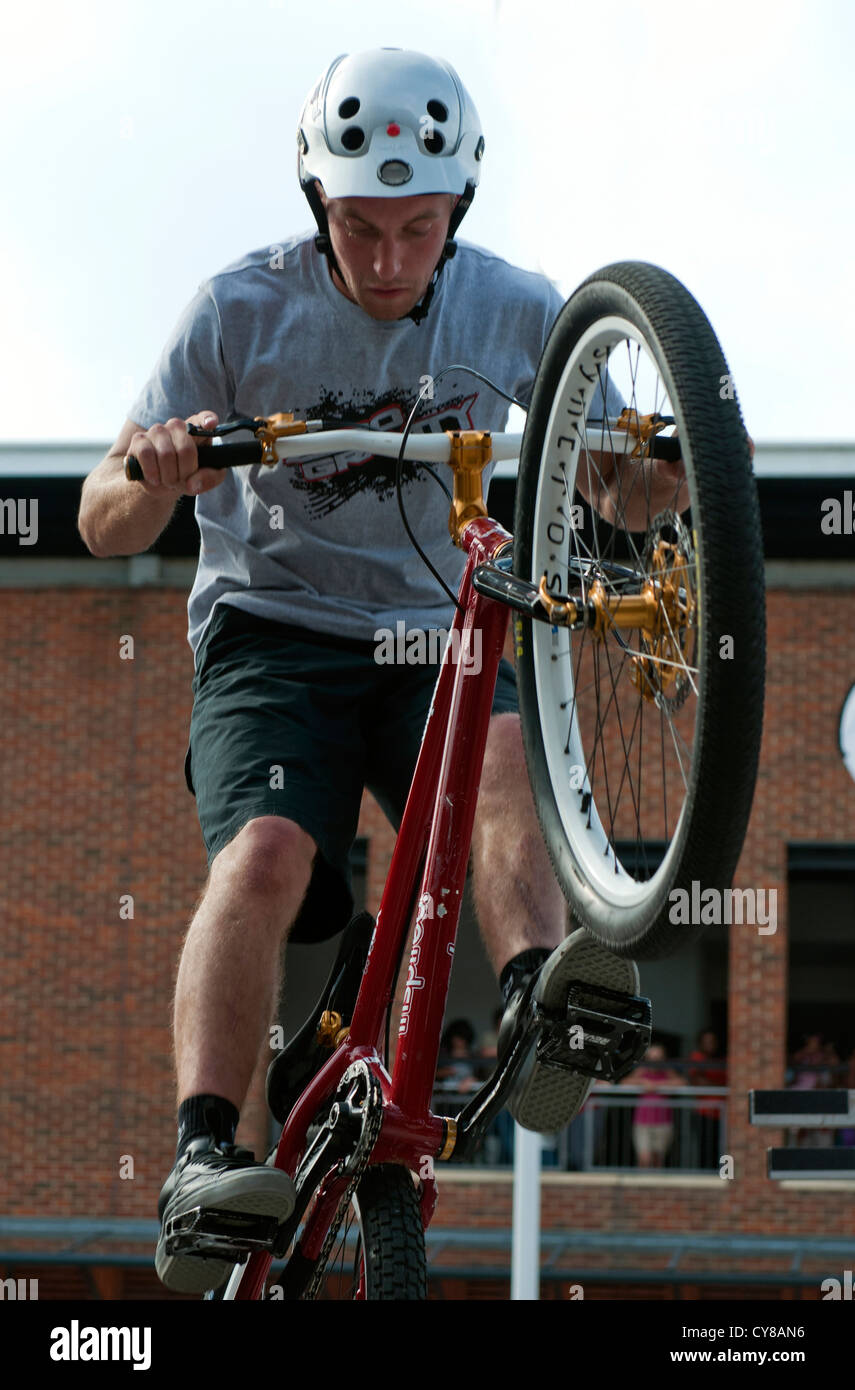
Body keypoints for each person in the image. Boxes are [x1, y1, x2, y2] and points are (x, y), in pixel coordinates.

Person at [78, 48, 682, 1293]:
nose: (392, 259)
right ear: (317, 205)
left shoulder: (519, 310)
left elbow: (618, 488)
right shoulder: (237, 310)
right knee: (265, 858)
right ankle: (201, 1156)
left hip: (432, 632)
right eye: (363, 227)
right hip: (275, 630)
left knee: (506, 749)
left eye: (420, 229)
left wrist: (666, 470)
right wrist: (154, 471)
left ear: (459, 212)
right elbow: (101, 518)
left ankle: (539, 995)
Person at [623, 1043, 683, 1169]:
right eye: (651, 1058)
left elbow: (682, 1083)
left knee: (657, 1160)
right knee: (644, 1159)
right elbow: (625, 1083)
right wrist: (642, 1082)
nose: (654, 1062)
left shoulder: (667, 1071)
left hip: (663, 1121)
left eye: (658, 1058)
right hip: (642, 1121)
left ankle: (656, 1187)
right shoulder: (642, 1071)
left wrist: (658, 1085)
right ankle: (641, 1187)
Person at [688, 1029, 727, 1170]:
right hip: (704, 1113)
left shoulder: (724, 1060)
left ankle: (725, 1176)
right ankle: (705, 1176)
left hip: (724, 1114)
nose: (710, 1044)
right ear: (701, 1043)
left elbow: (735, 1081)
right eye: (706, 1041)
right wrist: (721, 1086)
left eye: (712, 1041)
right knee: (705, 1149)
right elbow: (697, 1081)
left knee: (725, 1149)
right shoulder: (697, 1058)